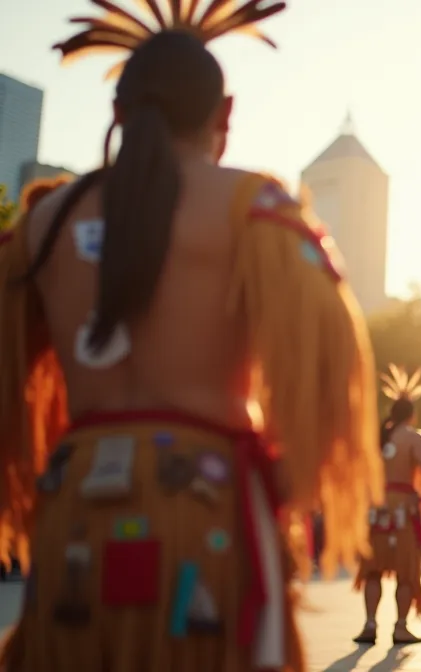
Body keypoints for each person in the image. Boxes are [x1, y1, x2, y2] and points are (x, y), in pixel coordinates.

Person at [0, 2, 384, 669]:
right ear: (224, 115)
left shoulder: (40, 227)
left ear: (118, 112)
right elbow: (332, 371)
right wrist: (280, 495)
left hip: (73, 517)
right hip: (203, 506)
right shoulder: (252, 207)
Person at [353, 366, 421, 645]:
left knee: (373, 569)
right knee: (406, 571)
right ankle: (400, 627)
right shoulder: (413, 437)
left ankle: (369, 624)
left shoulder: (377, 437)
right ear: (411, 413)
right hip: (403, 506)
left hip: (377, 509)